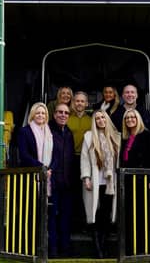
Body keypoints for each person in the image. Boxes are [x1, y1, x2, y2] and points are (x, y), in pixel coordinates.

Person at [80, 110, 120, 258]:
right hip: (95, 182)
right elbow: (84, 159)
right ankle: (98, 250)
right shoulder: (89, 137)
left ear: (107, 119)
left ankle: (103, 247)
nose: (101, 120)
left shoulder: (116, 137)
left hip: (110, 183)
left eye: (103, 117)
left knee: (106, 214)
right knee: (95, 214)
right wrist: (86, 178)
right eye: (97, 118)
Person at [120, 108, 150, 256]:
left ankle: (144, 248)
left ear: (138, 118)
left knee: (144, 215)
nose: (130, 120)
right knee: (130, 215)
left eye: (132, 117)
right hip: (128, 182)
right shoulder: (125, 137)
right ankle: (130, 248)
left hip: (143, 181)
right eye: (127, 118)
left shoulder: (146, 135)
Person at [48, 102, 76, 258]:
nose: (63, 115)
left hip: (67, 183)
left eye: (66, 113)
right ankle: (52, 249)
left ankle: (65, 249)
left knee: (66, 217)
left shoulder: (69, 132)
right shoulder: (48, 131)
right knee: (52, 217)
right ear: (54, 114)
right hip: (53, 182)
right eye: (60, 112)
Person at [67, 91, 92, 230]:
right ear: (73, 103)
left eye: (82, 101)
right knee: (73, 192)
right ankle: (73, 223)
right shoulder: (67, 118)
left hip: (87, 161)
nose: (80, 103)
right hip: (71, 159)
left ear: (86, 103)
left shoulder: (92, 120)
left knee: (86, 192)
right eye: (77, 101)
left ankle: (86, 223)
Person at [16, 102, 53, 170]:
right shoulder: (24, 131)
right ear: (32, 115)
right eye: (37, 113)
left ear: (46, 116)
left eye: (43, 113)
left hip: (48, 173)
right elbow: (24, 155)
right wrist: (41, 166)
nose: (40, 115)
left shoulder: (50, 133)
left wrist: (50, 168)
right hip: (30, 172)